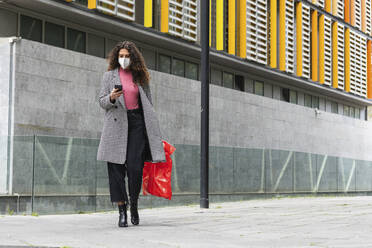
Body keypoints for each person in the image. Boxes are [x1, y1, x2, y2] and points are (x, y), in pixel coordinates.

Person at [96, 41, 166, 228]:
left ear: (132, 57)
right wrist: (111, 97)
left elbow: (149, 104)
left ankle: (133, 204)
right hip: (116, 125)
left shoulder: (140, 77)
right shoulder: (108, 76)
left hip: (137, 125)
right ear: (116, 57)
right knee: (116, 171)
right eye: (121, 56)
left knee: (135, 169)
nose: (124, 59)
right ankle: (122, 211)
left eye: (127, 56)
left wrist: (151, 130)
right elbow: (101, 101)